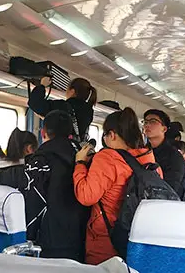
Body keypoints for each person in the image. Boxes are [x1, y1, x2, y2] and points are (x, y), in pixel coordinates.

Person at [0, 110, 89, 262]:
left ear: (43, 132)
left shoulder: (43, 158)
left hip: (50, 235)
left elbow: (21, 177)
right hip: (80, 231)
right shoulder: (84, 156)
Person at [72, 108, 162, 265]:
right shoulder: (151, 163)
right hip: (141, 240)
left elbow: (86, 196)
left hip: (107, 239)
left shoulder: (107, 158)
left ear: (112, 135)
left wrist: (80, 164)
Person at [28, 77, 97, 142]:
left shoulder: (63, 106)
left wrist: (42, 85)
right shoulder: (89, 112)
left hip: (61, 147)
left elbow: (35, 103)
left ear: (72, 91)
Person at [143, 109, 185, 198]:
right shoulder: (142, 152)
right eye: (145, 122)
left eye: (153, 122)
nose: (147, 125)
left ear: (164, 128)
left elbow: (172, 187)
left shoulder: (174, 156)